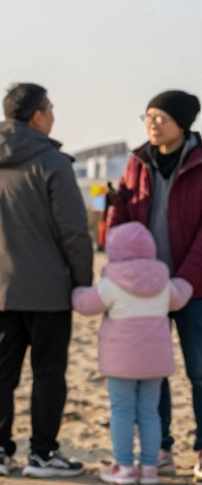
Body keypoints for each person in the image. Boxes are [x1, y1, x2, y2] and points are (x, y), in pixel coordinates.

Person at [0, 83, 93, 477]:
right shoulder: (53, 162)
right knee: (48, 373)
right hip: (49, 290)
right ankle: (43, 454)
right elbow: (75, 232)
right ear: (37, 116)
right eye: (50, 108)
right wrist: (82, 282)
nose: (53, 114)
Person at [106, 90, 202, 477]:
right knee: (152, 370)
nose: (152, 123)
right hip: (144, 291)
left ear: (183, 122)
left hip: (195, 289)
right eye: (147, 116)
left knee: (199, 371)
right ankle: (160, 448)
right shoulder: (137, 163)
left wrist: (185, 282)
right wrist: (121, 271)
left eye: (161, 117)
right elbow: (122, 216)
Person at [73, 222, 192, 484]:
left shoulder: (111, 281)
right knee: (150, 412)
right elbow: (180, 296)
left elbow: (86, 304)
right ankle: (149, 468)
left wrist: (75, 291)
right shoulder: (163, 280)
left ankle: (124, 467)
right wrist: (184, 283)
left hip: (121, 363)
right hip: (155, 362)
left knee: (122, 411)